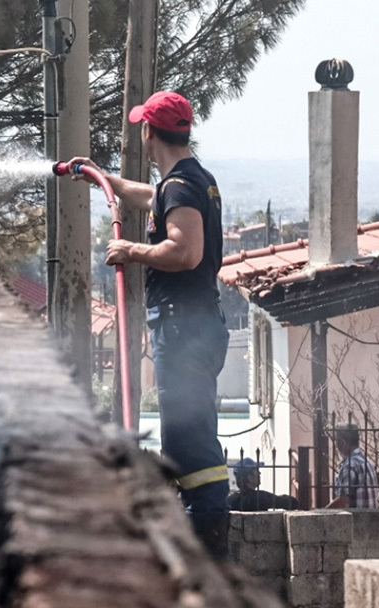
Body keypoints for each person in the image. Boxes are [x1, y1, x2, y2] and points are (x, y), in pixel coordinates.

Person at [66, 90, 230, 557]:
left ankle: (207, 551)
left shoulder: (179, 186)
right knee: (190, 435)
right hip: (196, 325)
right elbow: (154, 197)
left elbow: (186, 251)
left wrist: (132, 251)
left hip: (181, 329)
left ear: (148, 132)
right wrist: (106, 180)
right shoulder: (190, 180)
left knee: (188, 443)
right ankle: (199, 537)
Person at [326, 423, 379, 509]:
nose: (336, 445)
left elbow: (343, 499)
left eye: (337, 441)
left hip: (355, 520)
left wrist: (323, 513)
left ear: (342, 442)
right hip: (371, 518)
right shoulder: (367, 462)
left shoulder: (350, 466)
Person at [227, 458, 299, 511]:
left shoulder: (230, 500)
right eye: (257, 471)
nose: (259, 473)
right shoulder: (260, 498)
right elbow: (290, 503)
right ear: (249, 478)